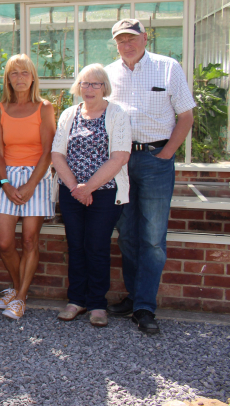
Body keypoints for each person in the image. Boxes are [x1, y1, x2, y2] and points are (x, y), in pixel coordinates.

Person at [105, 19, 195, 334]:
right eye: (120, 40)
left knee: (153, 237)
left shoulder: (168, 67)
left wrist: (167, 153)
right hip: (120, 161)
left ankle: (145, 307)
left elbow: (186, 116)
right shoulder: (109, 73)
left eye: (131, 39)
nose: (126, 45)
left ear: (145, 38)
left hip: (156, 160)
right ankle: (134, 297)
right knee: (127, 232)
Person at [52, 64, 131, 328]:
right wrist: (76, 187)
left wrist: (89, 188)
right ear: (79, 87)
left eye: (96, 84)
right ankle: (76, 300)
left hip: (105, 194)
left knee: (96, 247)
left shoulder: (116, 114)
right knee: (75, 246)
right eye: (85, 83)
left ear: (104, 87)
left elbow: (120, 156)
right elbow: (57, 154)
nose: (90, 89)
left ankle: (97, 304)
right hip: (71, 193)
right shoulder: (68, 114)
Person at [0, 53, 55, 321]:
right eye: (14, 73)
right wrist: (5, 184)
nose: (19, 78)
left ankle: (20, 297)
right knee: (5, 243)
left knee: (29, 240)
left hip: (36, 178)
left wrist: (30, 184)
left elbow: (48, 151)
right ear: (8, 78)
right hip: (8, 178)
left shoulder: (45, 108)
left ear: (32, 77)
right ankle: (17, 290)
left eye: (24, 72)